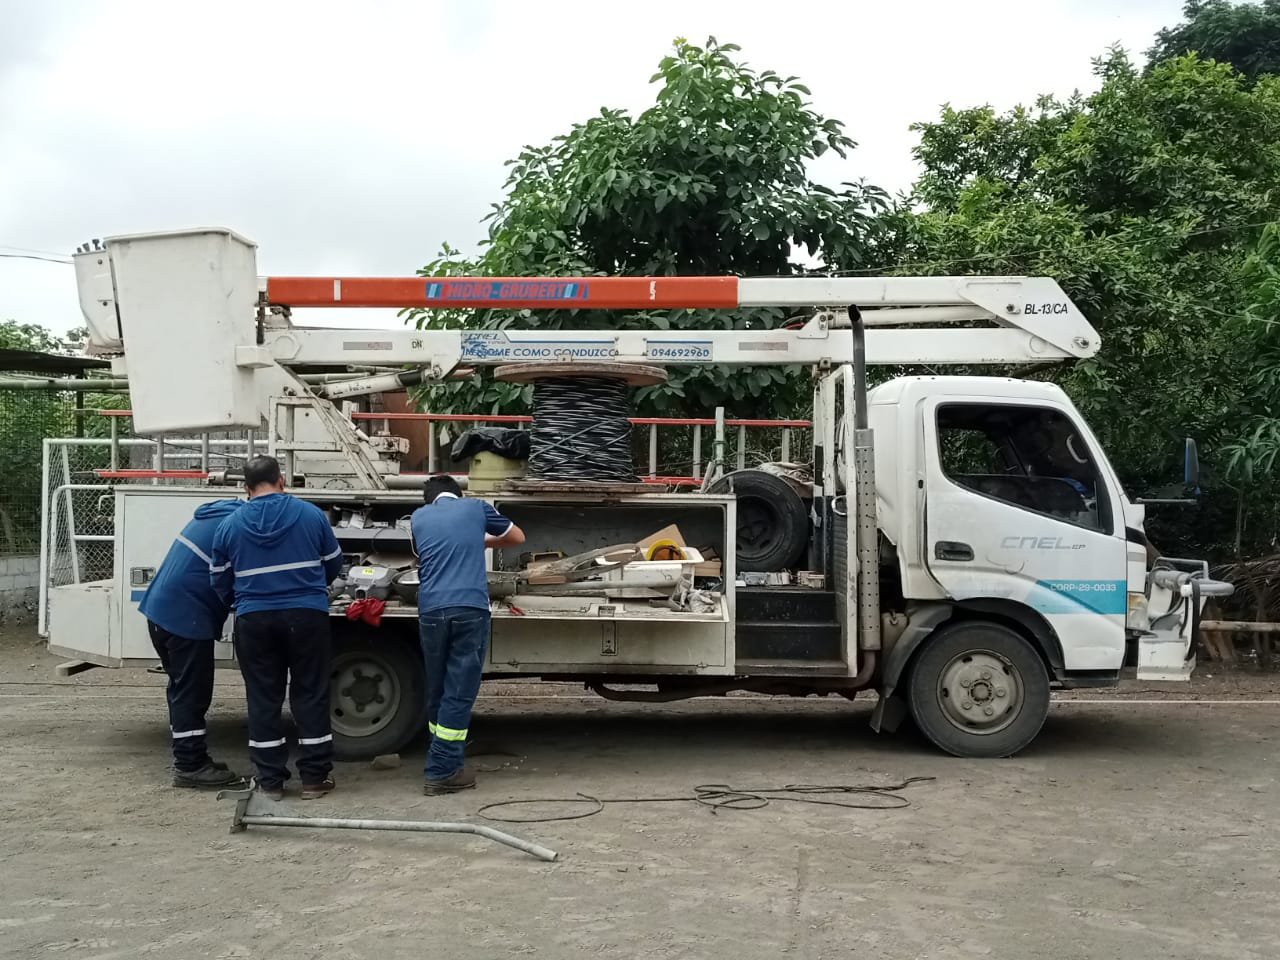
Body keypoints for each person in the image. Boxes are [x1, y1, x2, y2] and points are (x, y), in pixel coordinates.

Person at [211, 456, 344, 801]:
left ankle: (270, 781)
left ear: (246, 488)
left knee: (263, 697)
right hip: (306, 615)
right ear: (281, 480)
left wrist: (242, 601)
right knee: (311, 692)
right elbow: (334, 564)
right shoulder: (311, 514)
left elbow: (219, 579)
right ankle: (314, 779)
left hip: (254, 619)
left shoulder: (229, 525)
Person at [411, 475, 524, 795]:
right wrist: (482, 540)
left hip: (431, 610)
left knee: (438, 688)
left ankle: (441, 754)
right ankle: (442, 771)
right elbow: (517, 536)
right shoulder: (475, 507)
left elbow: (423, 553)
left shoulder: (418, 517)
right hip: (469, 608)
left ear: (429, 499)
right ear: (458, 494)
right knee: (459, 691)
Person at [138, 499, 246, 788]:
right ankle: (190, 766)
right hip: (185, 617)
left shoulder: (216, 516)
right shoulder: (238, 525)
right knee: (192, 693)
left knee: (181, 690)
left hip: (163, 612)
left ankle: (192, 757)